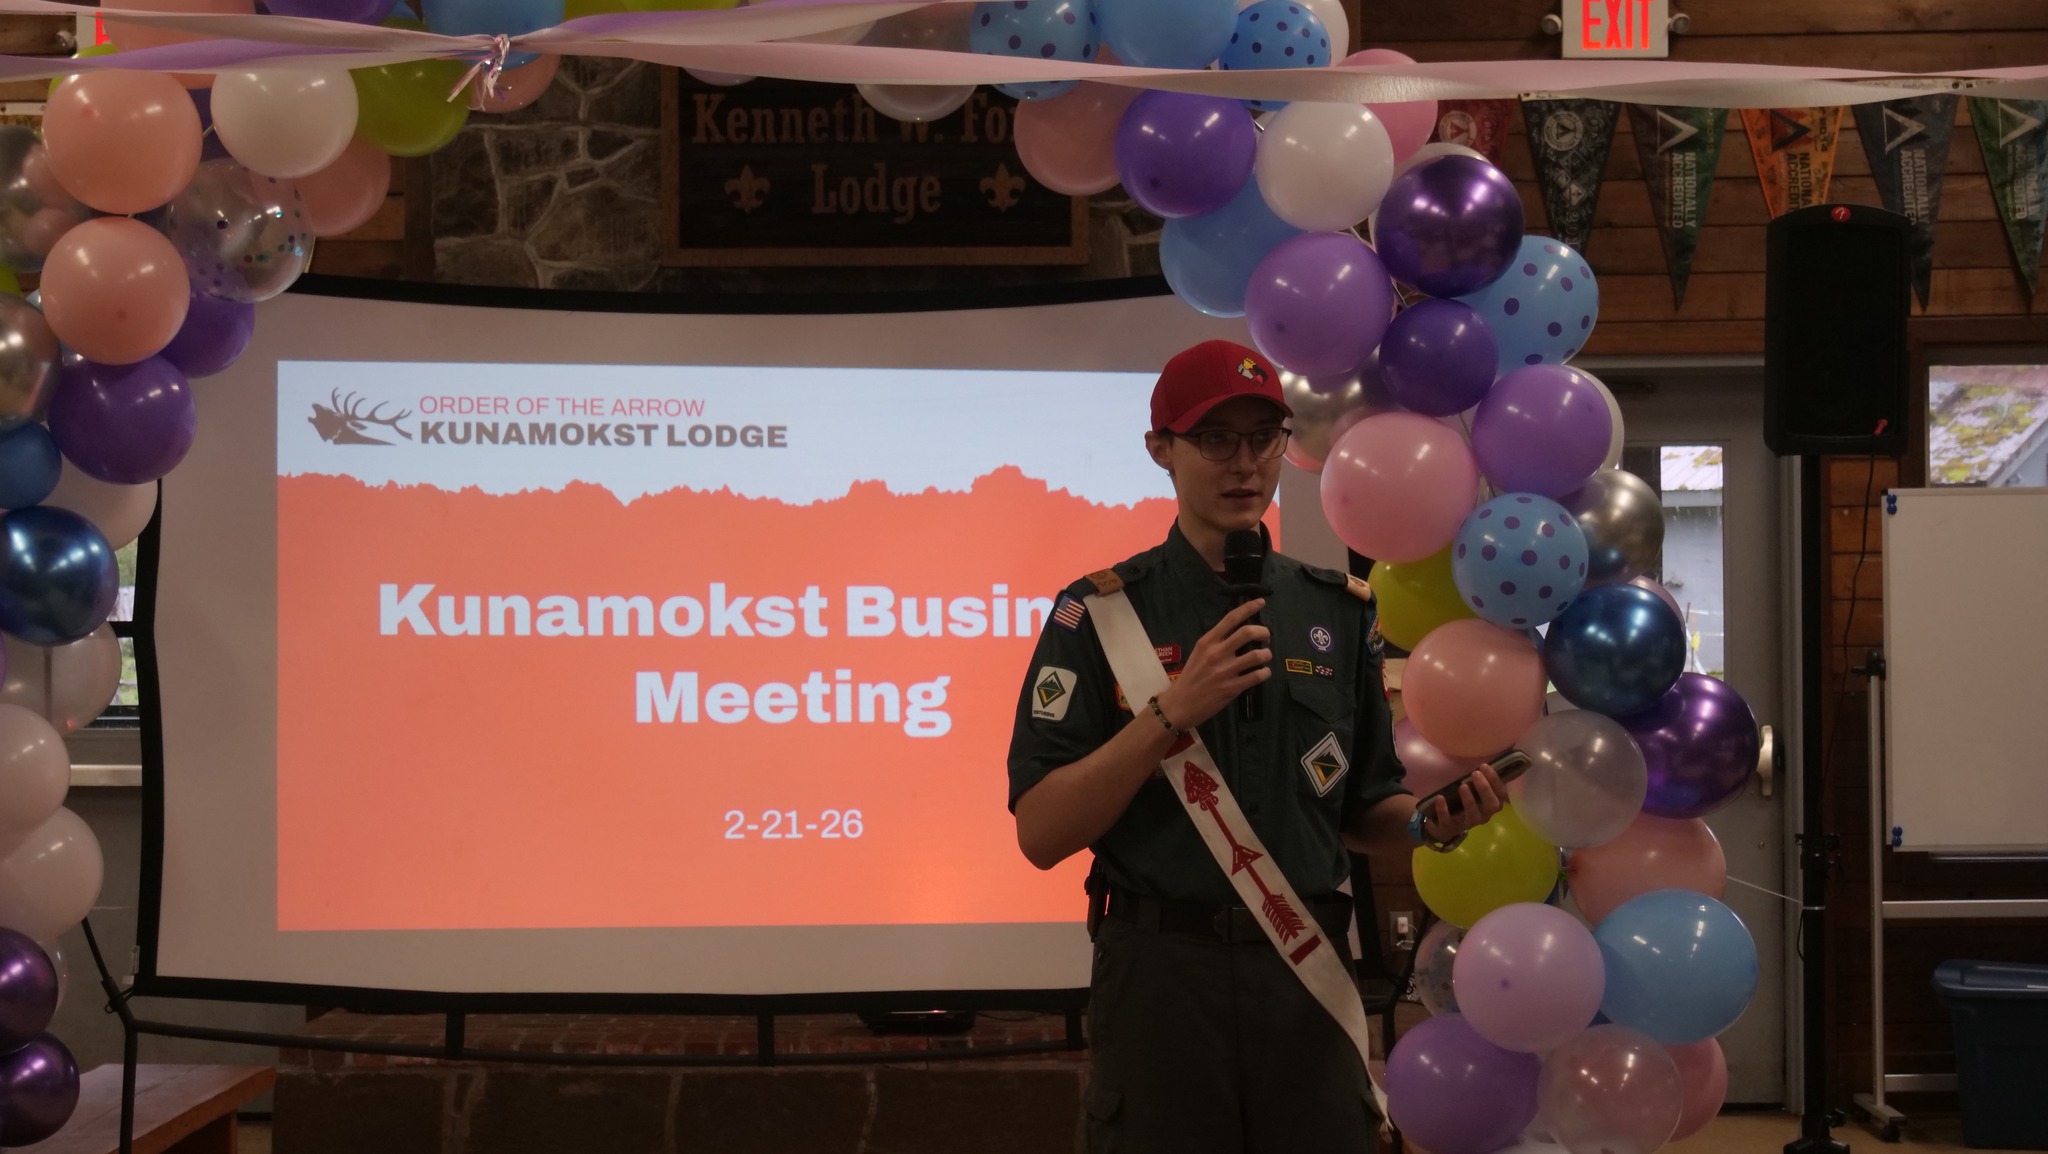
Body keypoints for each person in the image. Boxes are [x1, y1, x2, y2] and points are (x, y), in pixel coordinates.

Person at [1007, 339, 1507, 1154]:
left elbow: (1364, 809)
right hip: (1163, 976)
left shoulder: (1338, 611)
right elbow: (1042, 832)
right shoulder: (1097, 615)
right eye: (1215, 439)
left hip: (1303, 967)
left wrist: (1426, 823)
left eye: (1263, 438)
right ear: (1161, 449)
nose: (1244, 464)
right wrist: (1171, 713)